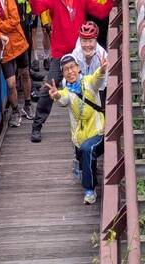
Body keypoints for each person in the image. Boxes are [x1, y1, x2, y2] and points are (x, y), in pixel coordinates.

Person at [28, 0, 119, 142]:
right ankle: (37, 125)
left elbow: (101, 12)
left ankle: (98, 121)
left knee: (90, 85)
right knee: (49, 87)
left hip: (79, 51)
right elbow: (37, 9)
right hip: (60, 52)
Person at [46, 52, 107, 204]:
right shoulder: (68, 91)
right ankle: (86, 171)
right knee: (84, 153)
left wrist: (102, 70)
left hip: (98, 132)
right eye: (66, 69)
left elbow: (97, 79)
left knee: (88, 149)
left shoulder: (88, 82)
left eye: (72, 67)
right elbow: (63, 98)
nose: (70, 71)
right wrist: (56, 95)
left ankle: (90, 190)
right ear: (63, 74)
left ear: (78, 68)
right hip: (80, 137)